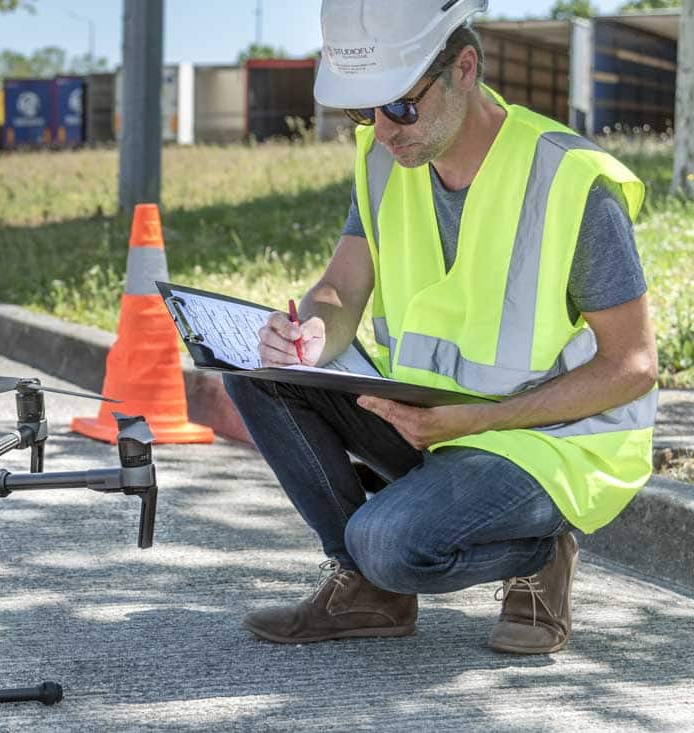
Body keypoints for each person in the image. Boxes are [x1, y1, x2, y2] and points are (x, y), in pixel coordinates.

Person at [224, 0, 658, 655]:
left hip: (550, 447)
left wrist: (476, 422)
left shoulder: (571, 180)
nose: (383, 129)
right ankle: (372, 592)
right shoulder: (381, 159)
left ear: (464, 67)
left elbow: (634, 365)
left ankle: (539, 553)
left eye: (399, 105)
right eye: (362, 111)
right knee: (254, 369)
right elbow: (340, 288)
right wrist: (310, 331)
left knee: (388, 541)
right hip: (434, 420)